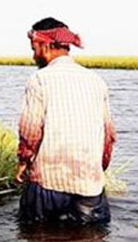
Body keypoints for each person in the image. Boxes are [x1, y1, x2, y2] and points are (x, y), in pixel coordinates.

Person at [15, 18, 117, 225]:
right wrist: (100, 166)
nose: (34, 55)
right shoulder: (96, 80)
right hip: (90, 185)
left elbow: (30, 131)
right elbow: (109, 136)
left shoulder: (40, 79)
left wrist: (23, 161)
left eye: (34, 48)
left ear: (44, 45)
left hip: (48, 183)